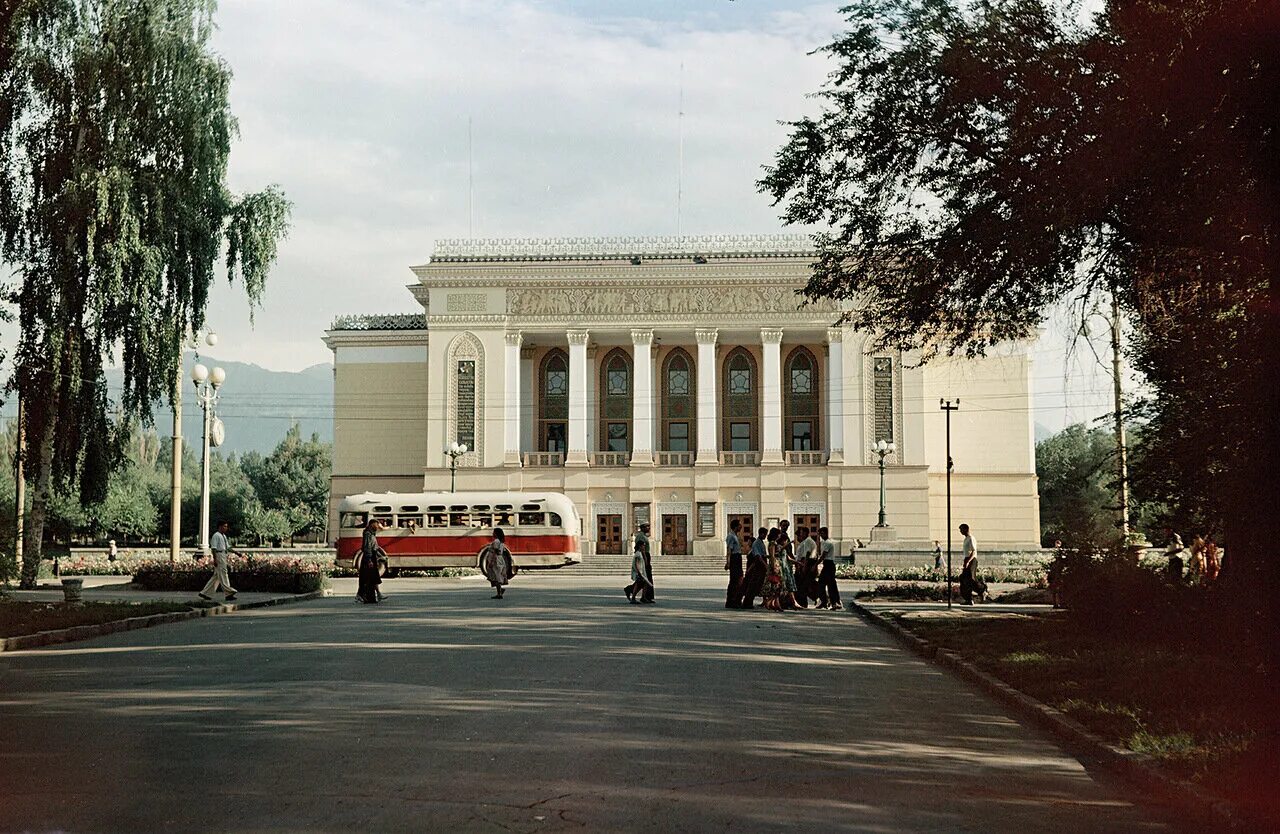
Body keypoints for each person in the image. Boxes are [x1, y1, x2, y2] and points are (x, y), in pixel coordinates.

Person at [198, 521, 239, 602]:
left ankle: (205, 593)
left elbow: (227, 547)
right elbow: (214, 548)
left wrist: (236, 552)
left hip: (223, 554)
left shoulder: (223, 536)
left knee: (217, 576)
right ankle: (229, 592)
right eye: (224, 526)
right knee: (223, 574)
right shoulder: (216, 536)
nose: (226, 528)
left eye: (226, 526)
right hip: (219, 555)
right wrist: (215, 559)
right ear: (220, 526)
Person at [354, 518, 385, 604]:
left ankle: (373, 595)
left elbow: (375, 546)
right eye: (376, 524)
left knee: (372, 577)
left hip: (372, 556)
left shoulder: (372, 533)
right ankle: (363, 595)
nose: (377, 526)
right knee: (367, 578)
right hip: (369, 557)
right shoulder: (368, 534)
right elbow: (367, 547)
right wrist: (369, 560)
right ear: (371, 524)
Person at [738, 527, 769, 609]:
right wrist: (765, 565)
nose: (766, 536)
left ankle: (748, 601)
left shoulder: (760, 543)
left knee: (754, 586)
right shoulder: (757, 543)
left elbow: (762, 555)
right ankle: (747, 602)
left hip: (759, 567)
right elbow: (758, 557)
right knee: (752, 586)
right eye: (765, 534)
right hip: (757, 568)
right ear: (761, 533)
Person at [480, 528, 516, 599]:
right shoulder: (501, 542)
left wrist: (491, 562)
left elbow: (496, 552)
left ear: (496, 533)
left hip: (496, 560)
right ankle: (500, 591)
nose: (492, 533)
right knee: (498, 575)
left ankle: (499, 593)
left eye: (494, 532)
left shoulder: (496, 542)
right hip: (500, 559)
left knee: (496, 576)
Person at [958, 523, 987, 605]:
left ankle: (982, 590)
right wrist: (965, 561)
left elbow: (974, 551)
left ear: (966, 529)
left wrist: (968, 561)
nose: (960, 531)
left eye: (961, 529)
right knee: (963, 579)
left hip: (972, 560)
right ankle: (968, 599)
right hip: (967, 559)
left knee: (971, 579)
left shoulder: (971, 538)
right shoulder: (966, 539)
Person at [817, 527, 843, 610]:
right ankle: (825, 602)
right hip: (827, 564)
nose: (820, 535)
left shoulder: (828, 543)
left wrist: (816, 564)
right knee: (822, 583)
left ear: (825, 533)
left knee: (830, 585)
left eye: (821, 533)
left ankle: (835, 602)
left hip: (829, 564)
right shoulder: (824, 543)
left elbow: (823, 555)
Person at [793, 526, 817, 608]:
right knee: (802, 584)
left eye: (801, 533)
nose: (800, 535)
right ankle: (802, 601)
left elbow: (806, 555)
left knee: (803, 585)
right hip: (804, 563)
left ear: (806, 533)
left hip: (807, 563)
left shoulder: (808, 541)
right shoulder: (804, 542)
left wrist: (804, 566)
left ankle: (804, 602)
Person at [761, 528, 784, 611]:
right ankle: (768, 601)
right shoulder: (772, 543)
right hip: (775, 565)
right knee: (776, 585)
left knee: (777, 585)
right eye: (779, 534)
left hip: (776, 564)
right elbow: (772, 555)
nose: (780, 535)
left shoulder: (773, 543)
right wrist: (774, 566)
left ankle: (775, 604)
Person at [724, 518, 744, 609]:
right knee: (734, 580)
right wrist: (728, 562)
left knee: (739, 580)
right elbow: (729, 550)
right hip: (734, 558)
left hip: (738, 557)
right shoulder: (731, 536)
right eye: (740, 525)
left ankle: (736, 600)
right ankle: (731, 601)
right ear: (736, 526)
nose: (741, 526)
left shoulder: (736, 535)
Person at [626, 539, 653, 604]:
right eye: (643, 545)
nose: (644, 547)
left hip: (642, 572)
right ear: (640, 546)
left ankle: (643, 597)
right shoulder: (637, 554)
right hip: (639, 572)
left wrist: (644, 553)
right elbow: (636, 564)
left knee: (645, 584)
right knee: (638, 585)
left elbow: (646, 563)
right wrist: (639, 573)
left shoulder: (641, 553)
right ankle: (633, 598)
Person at [634, 522, 655, 603]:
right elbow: (642, 549)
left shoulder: (643, 536)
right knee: (644, 578)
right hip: (644, 556)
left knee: (646, 578)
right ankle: (643, 596)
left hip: (645, 556)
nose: (648, 528)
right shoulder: (641, 536)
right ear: (642, 528)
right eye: (647, 527)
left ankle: (646, 596)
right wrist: (645, 560)